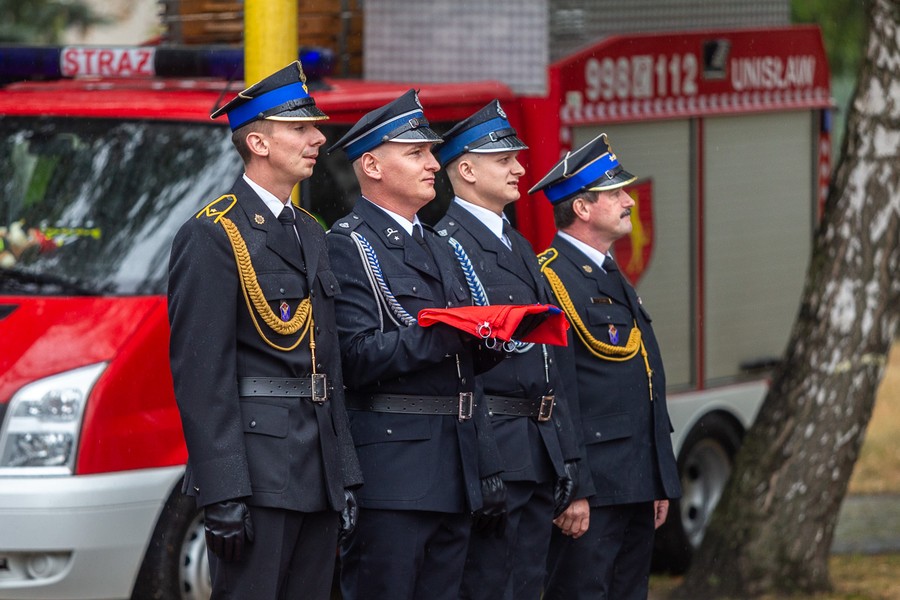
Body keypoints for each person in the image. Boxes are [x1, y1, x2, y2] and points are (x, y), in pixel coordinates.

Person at [167, 61, 363, 600]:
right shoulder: (213, 233)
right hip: (259, 473)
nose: (318, 138)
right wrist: (222, 491)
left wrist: (344, 475)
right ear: (258, 141)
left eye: (314, 128)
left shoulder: (309, 231)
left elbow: (329, 364)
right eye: (300, 129)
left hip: (317, 470)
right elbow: (202, 376)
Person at [325, 89, 507, 600]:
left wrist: (496, 337)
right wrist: (450, 334)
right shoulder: (348, 243)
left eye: (430, 152)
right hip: (395, 476)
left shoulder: (434, 242)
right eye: (417, 153)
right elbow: (355, 358)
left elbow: (462, 369)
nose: (433, 164)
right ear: (372, 166)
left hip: (453, 470)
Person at [433, 100, 582, 600]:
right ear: (468, 170)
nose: (520, 168)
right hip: (496, 442)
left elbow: (548, 357)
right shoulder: (448, 244)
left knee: (527, 585)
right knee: (491, 586)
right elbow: (464, 363)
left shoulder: (516, 242)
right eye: (505, 160)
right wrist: (484, 463)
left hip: (535, 448)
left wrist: (565, 458)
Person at [531, 133, 682, 600]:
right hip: (593, 486)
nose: (628, 200)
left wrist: (659, 478)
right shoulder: (551, 277)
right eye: (615, 192)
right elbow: (555, 390)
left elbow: (645, 381)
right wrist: (571, 485)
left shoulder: (611, 274)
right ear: (581, 208)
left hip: (634, 480)